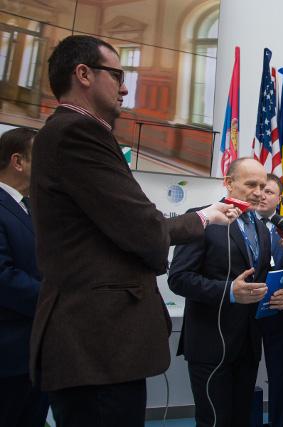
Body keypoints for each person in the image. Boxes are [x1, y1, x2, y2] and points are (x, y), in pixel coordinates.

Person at [29, 35, 238, 427]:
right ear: (83, 74)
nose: (125, 88)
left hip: (99, 345)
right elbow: (143, 230)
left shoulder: (73, 132)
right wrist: (204, 217)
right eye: (117, 75)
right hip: (96, 344)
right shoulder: (78, 133)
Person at [168, 158, 283, 427]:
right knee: (215, 421)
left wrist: (278, 295)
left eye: (263, 186)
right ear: (228, 183)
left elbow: (258, 280)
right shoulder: (202, 218)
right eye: (251, 184)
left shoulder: (261, 228)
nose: (259, 192)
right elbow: (178, 278)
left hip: (248, 344)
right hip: (210, 344)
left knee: (240, 419)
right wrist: (230, 292)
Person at [0, 127, 49, 427]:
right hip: (8, 356)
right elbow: (3, 277)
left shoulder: (30, 208)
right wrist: (55, 299)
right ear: (18, 161)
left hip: (35, 355)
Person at [255, 173, 283, 427]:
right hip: (244, 313)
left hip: (281, 312)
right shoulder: (237, 223)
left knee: (281, 377)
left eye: (269, 191)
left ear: (279, 198)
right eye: (259, 190)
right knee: (241, 376)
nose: (262, 195)